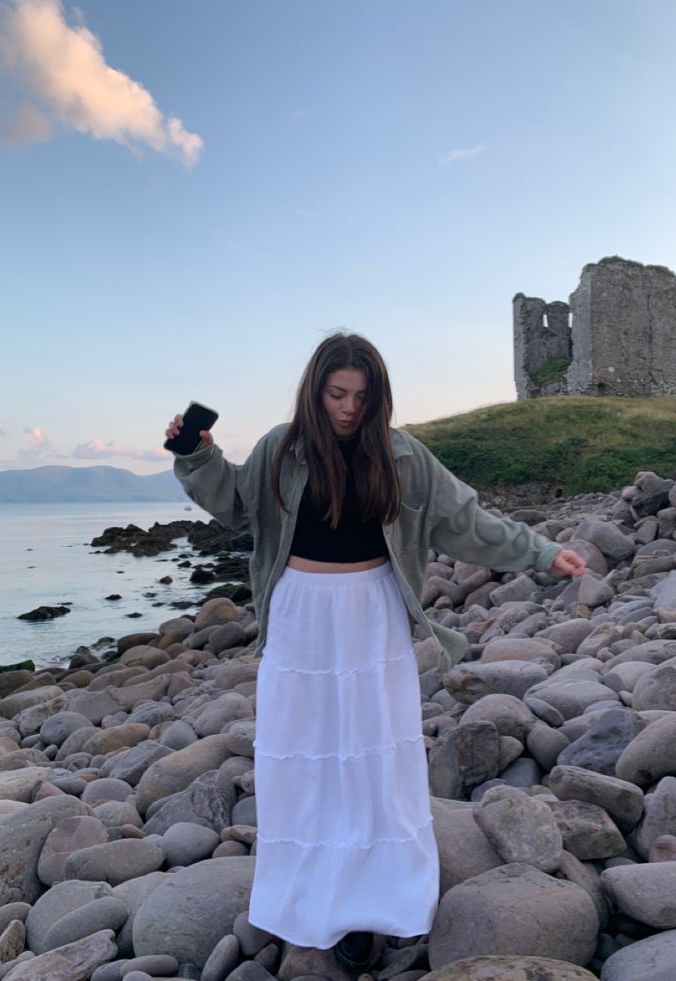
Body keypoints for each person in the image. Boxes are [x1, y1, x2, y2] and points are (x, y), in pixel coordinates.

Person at [165, 332, 585, 974]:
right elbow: (234, 504)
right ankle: (307, 904)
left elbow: (464, 518)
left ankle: (375, 907)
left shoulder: (401, 455)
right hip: (301, 613)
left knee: (373, 761)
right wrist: (198, 454)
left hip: (374, 614)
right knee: (303, 759)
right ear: (315, 390)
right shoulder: (282, 447)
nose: (348, 408)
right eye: (337, 393)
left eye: (361, 396)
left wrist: (538, 552)